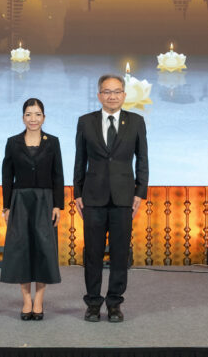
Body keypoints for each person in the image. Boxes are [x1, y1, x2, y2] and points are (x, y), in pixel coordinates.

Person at [73, 73, 148, 323]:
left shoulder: (136, 121)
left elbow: (143, 159)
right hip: (92, 197)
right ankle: (93, 303)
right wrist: (77, 193)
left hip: (124, 197)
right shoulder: (85, 122)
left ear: (124, 95)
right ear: (99, 95)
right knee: (93, 254)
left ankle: (115, 303)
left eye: (117, 91)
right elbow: (79, 160)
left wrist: (140, 192)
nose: (112, 96)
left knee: (119, 253)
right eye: (107, 91)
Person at [0, 98, 64, 320]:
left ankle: (39, 300)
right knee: (22, 250)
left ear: (44, 118)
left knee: (44, 250)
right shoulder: (13, 142)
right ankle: (27, 300)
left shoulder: (53, 142)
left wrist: (58, 205)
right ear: (23, 118)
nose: (33, 119)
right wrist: (6, 206)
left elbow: (58, 175)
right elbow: (7, 176)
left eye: (37, 114)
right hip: (20, 201)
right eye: (28, 114)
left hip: (45, 201)